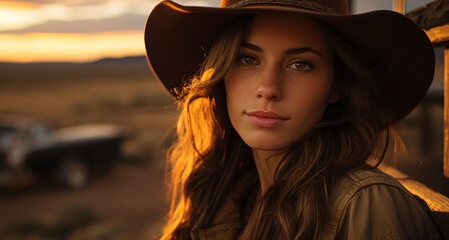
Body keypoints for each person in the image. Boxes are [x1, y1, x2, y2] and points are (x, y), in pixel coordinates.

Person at [145, 0, 443, 239]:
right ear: (220, 70)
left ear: (336, 86)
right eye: (247, 59)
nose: (269, 89)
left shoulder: (366, 206)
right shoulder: (221, 193)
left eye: (301, 64)